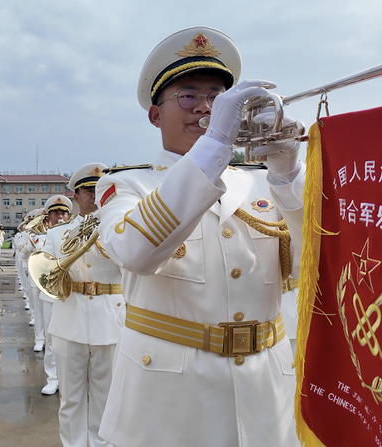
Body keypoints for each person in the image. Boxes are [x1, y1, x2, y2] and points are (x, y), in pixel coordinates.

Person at [95, 27, 303, 446]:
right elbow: (135, 252)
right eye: (188, 96)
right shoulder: (129, 186)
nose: (204, 109)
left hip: (266, 392)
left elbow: (309, 266)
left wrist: (288, 176)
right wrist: (215, 146)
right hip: (171, 402)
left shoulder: (264, 184)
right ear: (155, 116)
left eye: (215, 98)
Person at [42, 163, 125, 447]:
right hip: (69, 319)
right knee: (71, 399)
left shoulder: (121, 228)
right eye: (87, 190)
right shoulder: (56, 235)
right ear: (75, 197)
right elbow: (47, 276)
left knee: (107, 398)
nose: (93, 195)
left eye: (98, 190)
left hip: (110, 319)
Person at [34, 195, 72, 395]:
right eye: (56, 213)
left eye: (64, 212)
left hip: (73, 294)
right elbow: (42, 263)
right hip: (51, 294)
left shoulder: (76, 231)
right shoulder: (49, 235)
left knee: (70, 339)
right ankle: (52, 377)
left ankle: (68, 377)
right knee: (51, 338)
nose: (61, 216)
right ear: (49, 216)